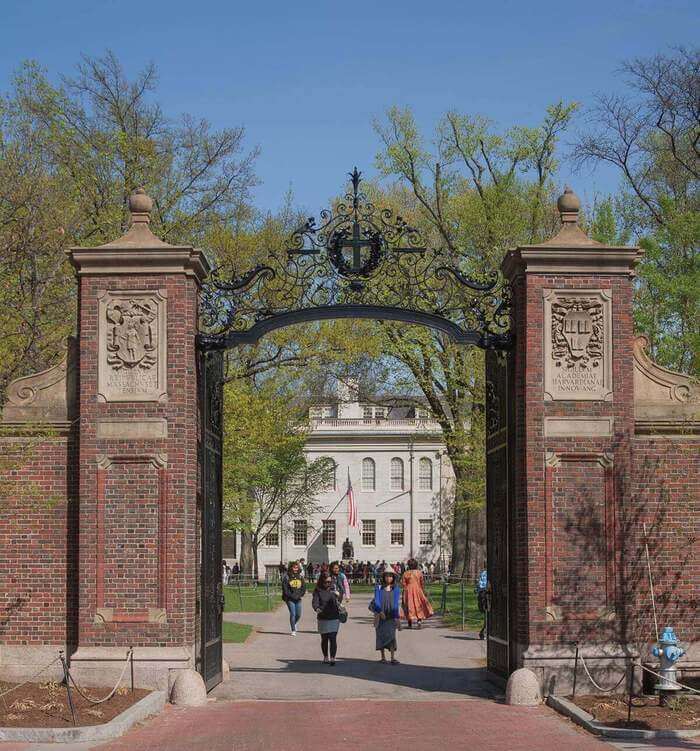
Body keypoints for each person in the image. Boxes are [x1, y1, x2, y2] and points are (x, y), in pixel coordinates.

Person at [369, 570, 401, 664]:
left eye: (390, 576)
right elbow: (377, 601)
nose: (388, 578)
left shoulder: (396, 589)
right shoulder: (378, 588)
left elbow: (395, 603)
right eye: (386, 576)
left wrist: (397, 617)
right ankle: (383, 657)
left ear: (393, 578)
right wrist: (380, 611)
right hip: (380, 616)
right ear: (383, 577)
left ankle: (392, 657)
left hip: (391, 616)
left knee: (392, 636)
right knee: (381, 636)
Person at [312, 573, 343, 665]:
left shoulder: (334, 589)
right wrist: (316, 608)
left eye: (330, 582)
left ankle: (333, 658)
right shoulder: (318, 591)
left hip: (334, 617)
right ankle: (326, 657)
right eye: (326, 582)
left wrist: (339, 595)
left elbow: (339, 601)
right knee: (324, 638)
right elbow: (315, 601)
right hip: (323, 617)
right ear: (322, 581)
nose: (328, 584)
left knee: (333, 638)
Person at [401, 558, 434, 628]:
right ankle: (419, 620)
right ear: (416, 565)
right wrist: (423, 590)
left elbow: (403, 584)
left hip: (408, 590)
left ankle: (409, 622)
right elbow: (422, 583)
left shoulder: (405, 573)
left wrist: (403, 592)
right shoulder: (419, 572)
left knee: (409, 605)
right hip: (417, 589)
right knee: (418, 604)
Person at [281, 560, 306, 635]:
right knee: (293, 614)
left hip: (298, 598)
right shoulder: (287, 577)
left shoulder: (300, 577)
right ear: (291, 568)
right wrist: (291, 596)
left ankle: (294, 623)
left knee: (298, 614)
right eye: (294, 567)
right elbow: (285, 589)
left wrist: (300, 594)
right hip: (290, 599)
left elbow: (303, 587)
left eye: (297, 568)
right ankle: (293, 630)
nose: (295, 569)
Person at [475, 566, 489, 640]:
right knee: (488, 617)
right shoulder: (485, 574)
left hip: (483, 595)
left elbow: (477, 587)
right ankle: (483, 633)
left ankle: (483, 633)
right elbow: (480, 586)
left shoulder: (483, 573)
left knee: (487, 617)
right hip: (485, 596)